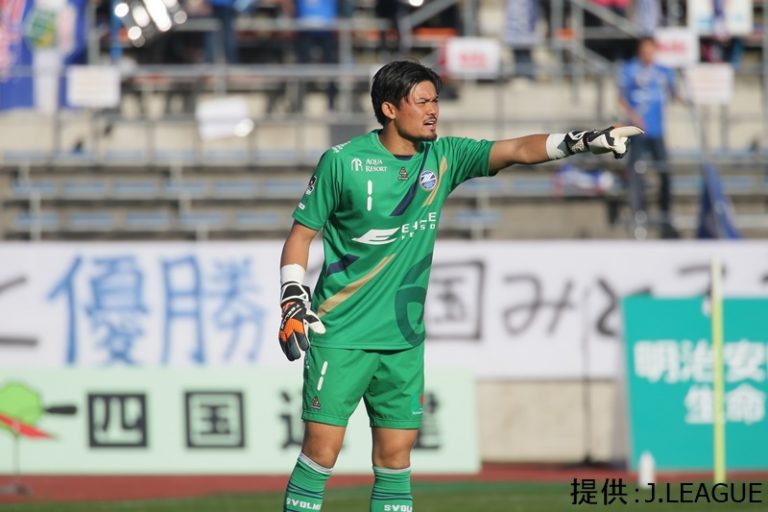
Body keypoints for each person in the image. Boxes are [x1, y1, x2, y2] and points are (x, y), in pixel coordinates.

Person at [277, 60, 641, 512]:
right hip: (341, 334)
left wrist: (579, 142)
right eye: (422, 101)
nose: (433, 110)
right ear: (389, 108)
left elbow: (515, 149)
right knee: (321, 452)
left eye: (436, 100)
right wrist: (291, 296)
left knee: (395, 459)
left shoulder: (444, 156)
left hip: (403, 340)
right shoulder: (343, 161)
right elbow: (301, 235)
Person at [618, 36, 678, 239]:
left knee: (665, 172)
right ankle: (639, 214)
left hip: (657, 131)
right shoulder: (630, 69)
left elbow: (675, 93)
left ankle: (666, 215)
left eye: (650, 49)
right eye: (644, 49)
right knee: (636, 172)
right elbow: (621, 97)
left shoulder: (663, 71)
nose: (647, 53)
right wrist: (634, 117)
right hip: (637, 130)